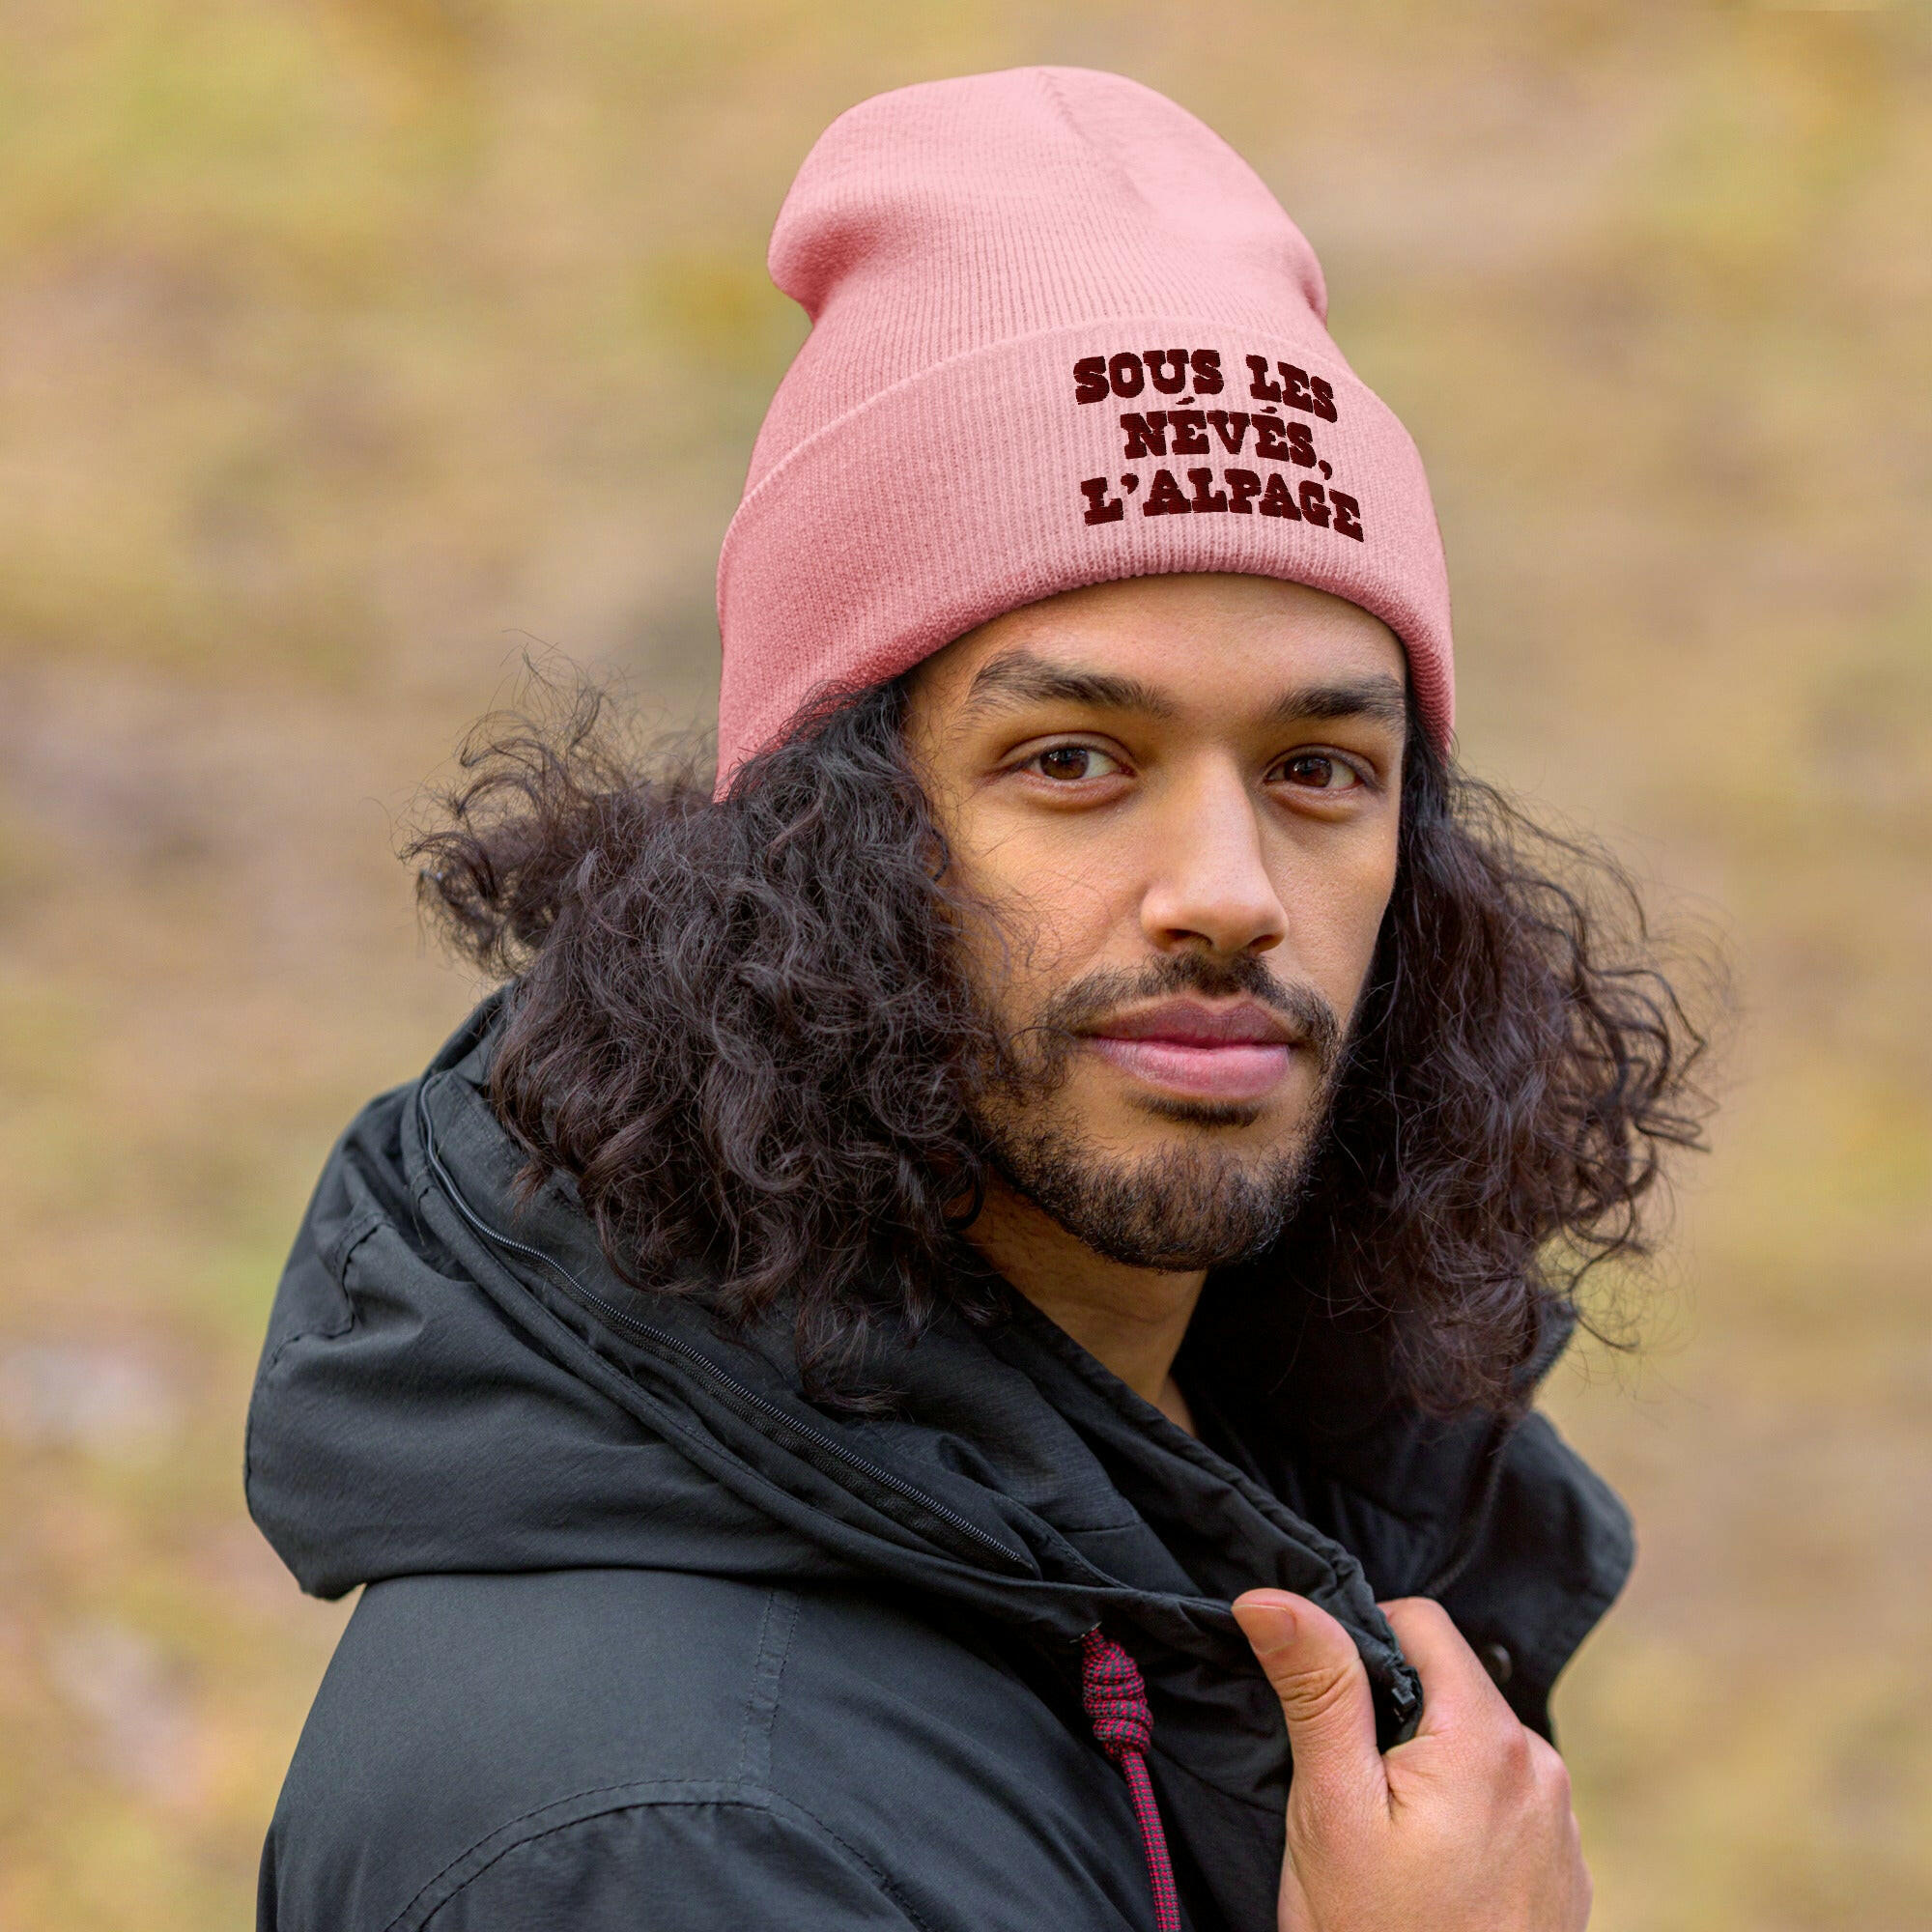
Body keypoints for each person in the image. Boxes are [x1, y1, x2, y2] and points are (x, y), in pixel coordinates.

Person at [248, 67, 1709, 1932]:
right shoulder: (667, 1835)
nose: (1230, 896)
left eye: (1320, 770)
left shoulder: (1242, 1482)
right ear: (823, 846)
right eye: (1076, 760)